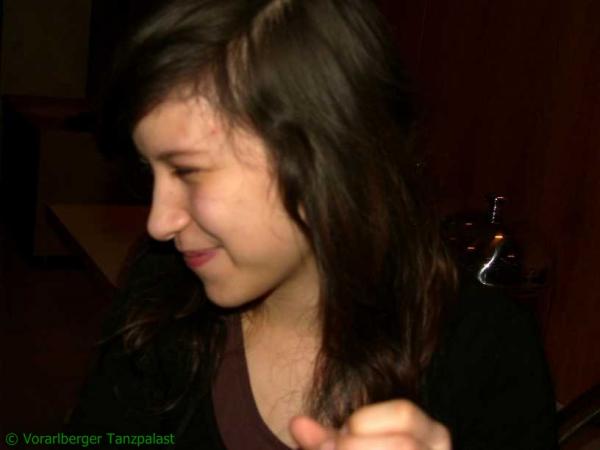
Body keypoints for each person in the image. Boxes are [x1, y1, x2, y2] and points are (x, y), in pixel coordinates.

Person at [68, 0, 557, 448]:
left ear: (329, 155)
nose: (158, 223)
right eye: (149, 171)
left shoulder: (489, 351)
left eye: (188, 171)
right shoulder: (160, 297)